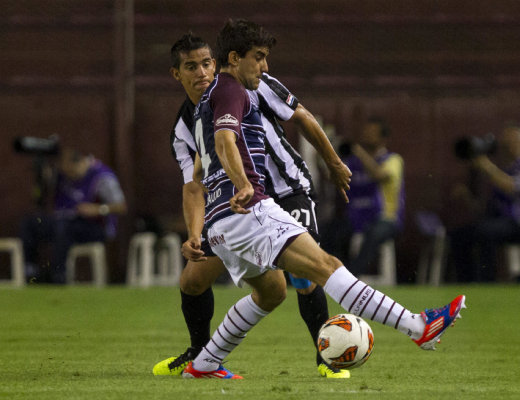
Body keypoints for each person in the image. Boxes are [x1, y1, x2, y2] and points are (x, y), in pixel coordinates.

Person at [180, 19, 465, 379]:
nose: (265, 67)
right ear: (234, 58)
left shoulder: (205, 101)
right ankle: (418, 327)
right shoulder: (233, 89)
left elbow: (197, 173)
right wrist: (243, 184)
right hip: (248, 211)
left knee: (271, 295)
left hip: (221, 225)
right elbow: (223, 142)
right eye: (259, 57)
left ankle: (203, 365)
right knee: (326, 267)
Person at [152, 32, 353, 378]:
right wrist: (194, 235)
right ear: (177, 74)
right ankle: (201, 356)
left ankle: (327, 359)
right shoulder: (183, 130)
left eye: (205, 64)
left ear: (216, 63)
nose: (201, 73)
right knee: (193, 280)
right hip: (236, 206)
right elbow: (193, 186)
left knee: (305, 275)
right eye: (190, 67)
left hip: (286, 188)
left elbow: (301, 116)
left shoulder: (246, 83)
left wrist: (333, 163)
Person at [449, 122, 520, 282]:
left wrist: (487, 166)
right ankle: (466, 281)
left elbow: (511, 186)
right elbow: (485, 208)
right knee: (460, 235)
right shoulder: (505, 168)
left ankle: (485, 280)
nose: (505, 144)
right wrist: (468, 196)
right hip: (503, 222)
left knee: (484, 232)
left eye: (510, 140)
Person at [20, 147, 127, 283]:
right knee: (30, 223)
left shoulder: (102, 176)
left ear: (81, 163)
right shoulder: (61, 174)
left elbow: (122, 207)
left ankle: (58, 275)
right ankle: (31, 271)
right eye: (67, 173)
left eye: (72, 172)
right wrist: (43, 177)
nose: (70, 176)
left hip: (93, 227)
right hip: (63, 222)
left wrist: (98, 209)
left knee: (64, 228)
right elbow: (39, 196)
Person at [342, 117, 405, 277]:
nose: (366, 136)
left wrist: (359, 152)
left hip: (386, 219)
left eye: (372, 133)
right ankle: (331, 276)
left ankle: (352, 277)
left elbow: (378, 175)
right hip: (358, 217)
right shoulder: (353, 162)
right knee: (335, 232)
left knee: (373, 234)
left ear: (383, 138)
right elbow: (332, 177)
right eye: (365, 132)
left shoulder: (393, 160)